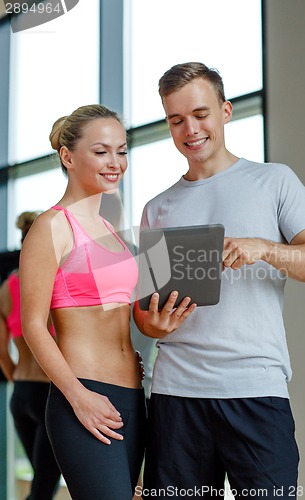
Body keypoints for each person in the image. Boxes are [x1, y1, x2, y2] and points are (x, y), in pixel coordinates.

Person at [133, 62, 305, 500]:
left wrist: (266, 248)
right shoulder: (157, 207)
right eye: (176, 120)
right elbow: (144, 310)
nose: (190, 129)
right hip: (176, 395)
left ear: (225, 111)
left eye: (201, 113)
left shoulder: (274, 181)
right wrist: (152, 325)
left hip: (255, 390)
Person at [19, 104, 147, 500]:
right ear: (68, 157)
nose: (115, 163)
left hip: (132, 396)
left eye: (122, 151)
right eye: (101, 151)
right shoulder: (51, 225)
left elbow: (120, 317)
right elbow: (33, 326)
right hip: (85, 396)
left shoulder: (113, 229)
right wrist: (79, 397)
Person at [0, 211, 61, 500]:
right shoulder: (50, 280)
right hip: (48, 393)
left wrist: (19, 384)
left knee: (41, 481)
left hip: (21, 394)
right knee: (44, 487)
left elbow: (1, 353)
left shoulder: (5, 289)